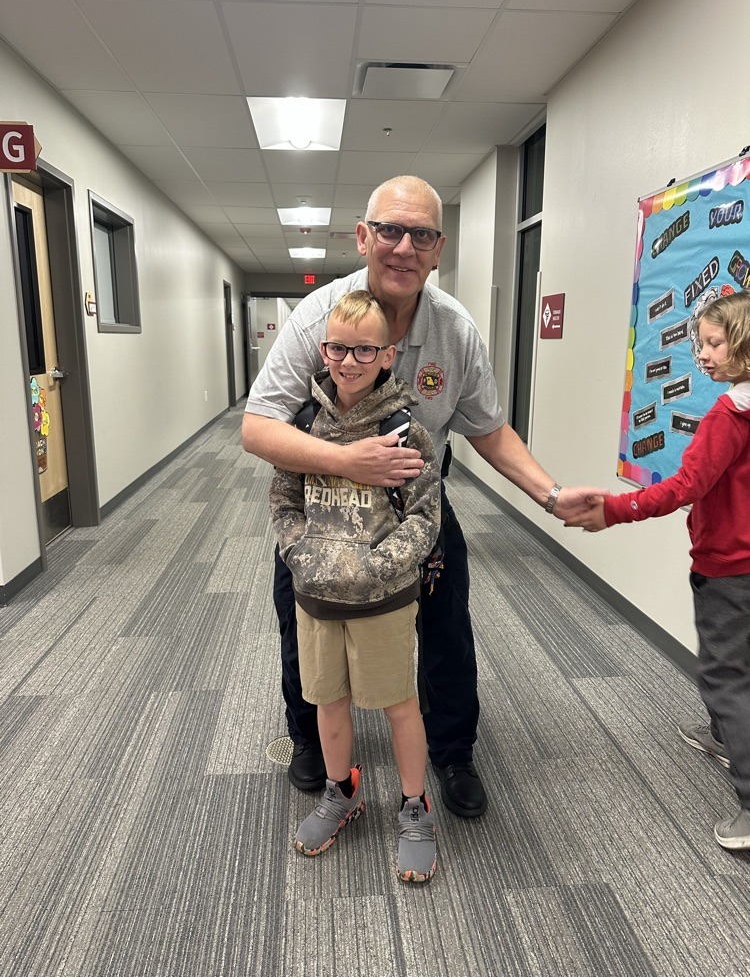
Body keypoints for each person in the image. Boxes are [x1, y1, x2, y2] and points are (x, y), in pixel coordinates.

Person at [243, 174, 606, 818]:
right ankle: (309, 739)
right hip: (324, 506)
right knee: (304, 623)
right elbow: (257, 427)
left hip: (414, 506)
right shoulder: (320, 318)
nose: (404, 247)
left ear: (438, 250)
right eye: (390, 230)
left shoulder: (454, 330)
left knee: (446, 627)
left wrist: (550, 496)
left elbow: (488, 429)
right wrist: (348, 460)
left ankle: (453, 752)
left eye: (422, 235)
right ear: (363, 237)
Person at [565, 290, 750, 850]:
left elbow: (686, 485)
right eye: (700, 343)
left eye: (714, 343)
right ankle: (724, 735)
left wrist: (614, 509)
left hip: (730, 568)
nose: (703, 354)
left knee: (724, 674)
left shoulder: (729, 415)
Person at [270, 290, 441, 882]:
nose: (349, 361)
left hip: (381, 600)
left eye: (365, 350)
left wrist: (379, 566)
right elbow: (284, 502)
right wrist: (302, 556)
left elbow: (424, 517)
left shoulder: (405, 431)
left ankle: (415, 806)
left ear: (388, 355)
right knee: (328, 701)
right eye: (339, 348)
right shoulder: (303, 425)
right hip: (316, 596)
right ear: (323, 350)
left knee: (399, 705)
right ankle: (341, 790)